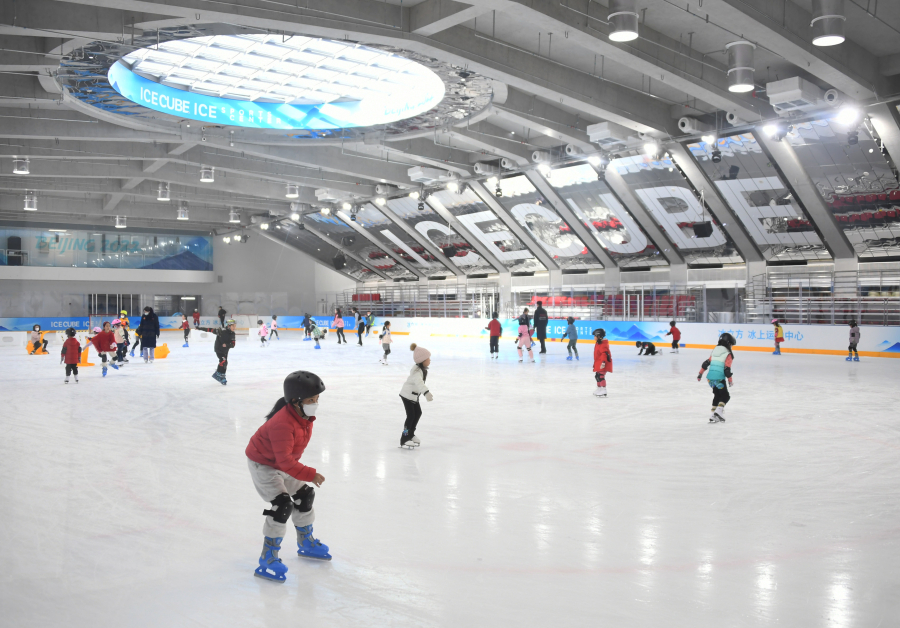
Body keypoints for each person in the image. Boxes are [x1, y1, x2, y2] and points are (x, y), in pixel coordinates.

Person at [246, 370, 331, 583]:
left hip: (280, 461)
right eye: (311, 400)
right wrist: (311, 474)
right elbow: (284, 461)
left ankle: (306, 542)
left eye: (317, 399)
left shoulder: (304, 416)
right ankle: (268, 557)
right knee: (282, 505)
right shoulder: (283, 423)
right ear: (295, 401)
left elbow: (287, 458)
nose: (315, 404)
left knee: (304, 496)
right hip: (263, 464)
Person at [399, 343, 433, 448]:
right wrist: (426, 393)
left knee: (417, 413)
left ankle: (411, 434)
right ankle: (404, 437)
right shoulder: (417, 372)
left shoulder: (422, 369)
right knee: (411, 416)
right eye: (428, 358)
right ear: (422, 360)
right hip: (407, 395)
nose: (430, 360)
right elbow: (419, 383)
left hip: (413, 396)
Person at [698, 332, 736, 423]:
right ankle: (718, 412)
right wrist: (730, 380)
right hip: (719, 378)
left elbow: (706, 363)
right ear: (729, 343)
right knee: (725, 396)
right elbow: (727, 370)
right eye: (731, 345)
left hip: (710, 378)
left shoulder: (715, 351)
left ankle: (712, 415)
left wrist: (700, 373)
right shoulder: (728, 354)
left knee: (717, 395)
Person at [200, 319, 236, 384]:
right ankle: (218, 374)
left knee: (225, 363)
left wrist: (227, 345)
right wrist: (199, 328)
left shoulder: (232, 334)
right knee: (223, 361)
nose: (234, 327)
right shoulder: (221, 331)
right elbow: (209, 330)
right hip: (219, 349)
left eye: (235, 326)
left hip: (225, 350)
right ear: (228, 326)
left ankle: (222, 376)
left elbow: (233, 345)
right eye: (233, 326)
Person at [592, 328, 612, 397]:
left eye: (595, 336)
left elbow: (604, 354)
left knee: (601, 376)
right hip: (599, 362)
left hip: (603, 363)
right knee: (597, 376)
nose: (594, 337)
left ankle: (604, 389)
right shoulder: (598, 343)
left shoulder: (603, 344)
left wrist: (603, 362)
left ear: (599, 336)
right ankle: (599, 388)